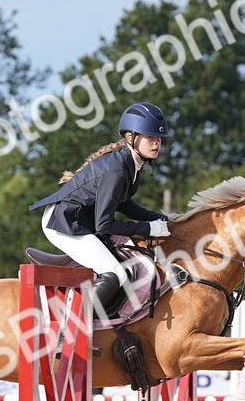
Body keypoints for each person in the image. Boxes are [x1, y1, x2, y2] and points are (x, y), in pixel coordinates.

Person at [29, 101, 172, 318]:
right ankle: (71, 328)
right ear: (131, 138)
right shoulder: (118, 171)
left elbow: (123, 204)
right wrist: (147, 228)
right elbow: (104, 224)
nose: (156, 143)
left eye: (159, 138)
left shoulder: (130, 164)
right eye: (150, 137)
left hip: (79, 220)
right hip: (64, 222)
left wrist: (159, 218)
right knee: (115, 274)